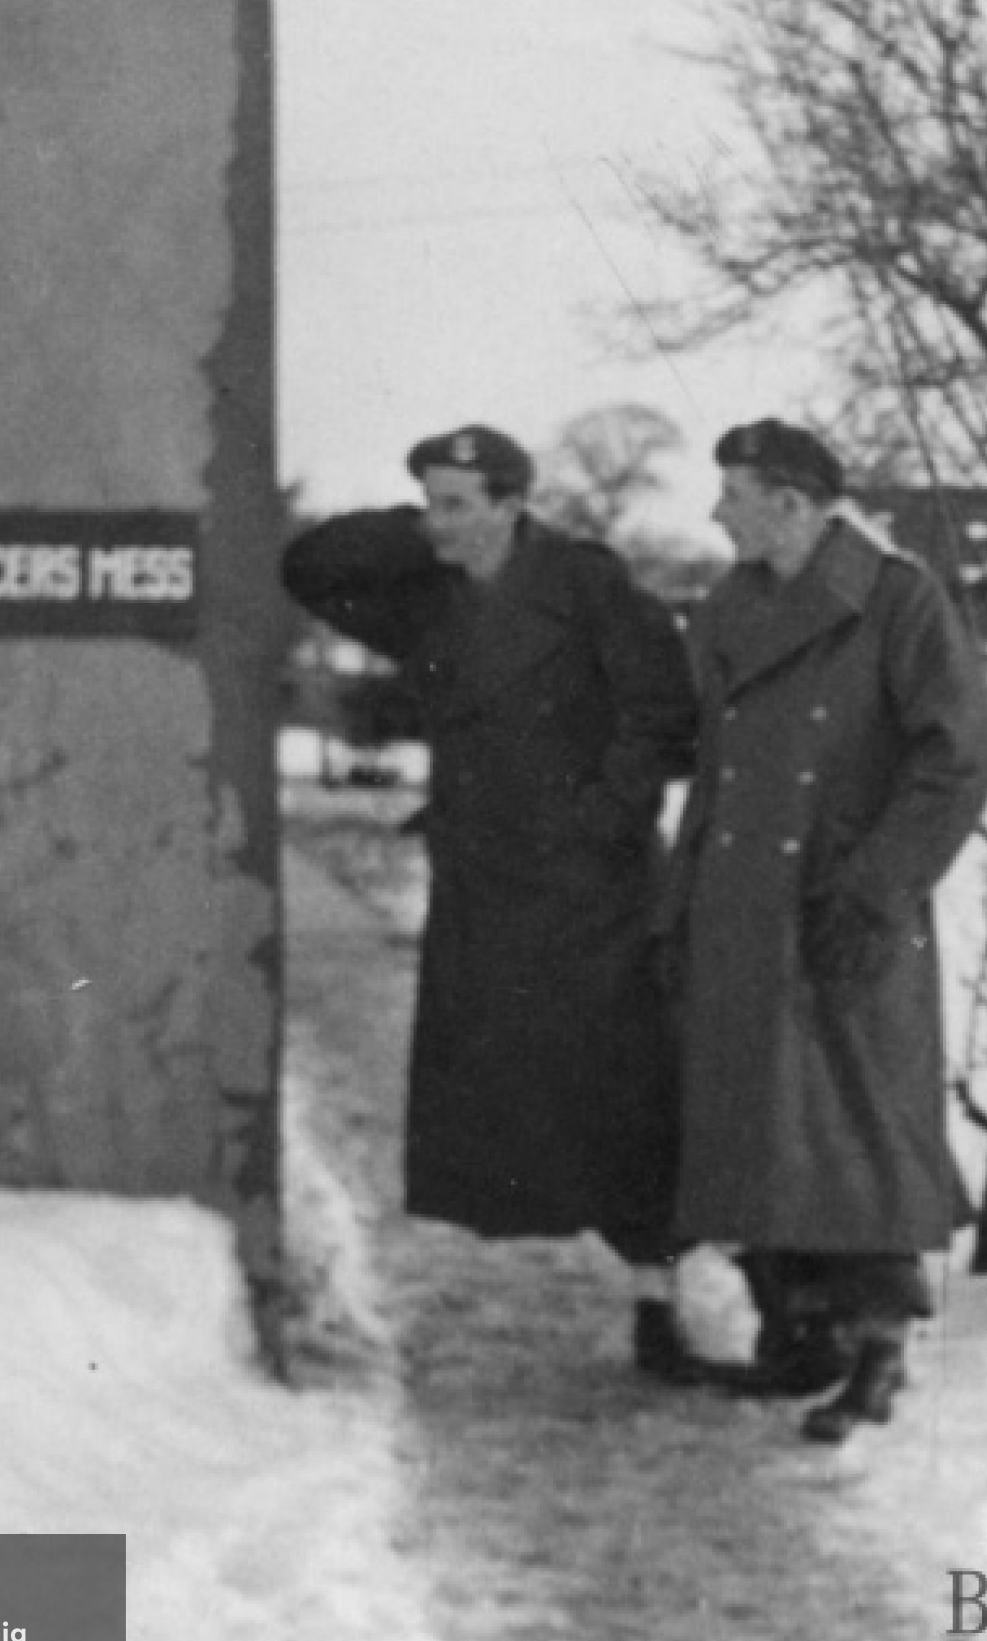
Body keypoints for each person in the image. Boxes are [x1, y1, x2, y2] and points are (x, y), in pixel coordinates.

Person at [281, 424, 703, 1378]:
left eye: (458, 504)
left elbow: (664, 716)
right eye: (428, 502)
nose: (439, 524)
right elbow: (308, 566)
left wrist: (600, 814)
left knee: (626, 1090)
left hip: (594, 887)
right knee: (509, 1088)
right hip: (487, 880)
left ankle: (657, 1301)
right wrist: (423, 524)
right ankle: (616, 1271)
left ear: (515, 505)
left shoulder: (588, 585)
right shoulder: (430, 596)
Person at [659, 420, 987, 1442]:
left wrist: (876, 889)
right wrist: (680, 903)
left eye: (735, 493)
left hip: (843, 911)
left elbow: (958, 758)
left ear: (795, 504)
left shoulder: (898, 601)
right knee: (754, 1131)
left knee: (856, 1138)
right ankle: (794, 1333)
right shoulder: (729, 607)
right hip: (738, 909)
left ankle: (877, 1354)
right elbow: (714, 768)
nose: (718, 513)